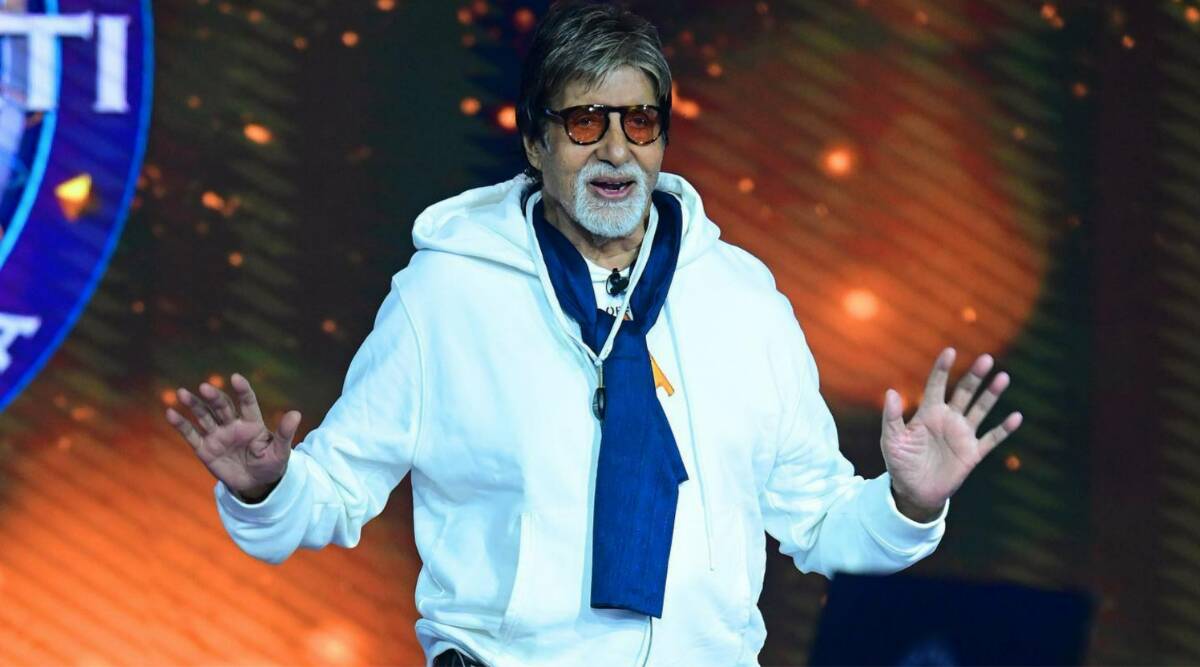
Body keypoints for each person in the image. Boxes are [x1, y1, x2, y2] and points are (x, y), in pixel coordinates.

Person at [164, 2, 1023, 666]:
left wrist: (911, 500)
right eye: (585, 123)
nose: (616, 150)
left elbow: (823, 524)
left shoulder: (743, 301)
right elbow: (334, 492)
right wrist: (266, 490)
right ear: (535, 142)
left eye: (639, 122)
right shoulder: (446, 296)